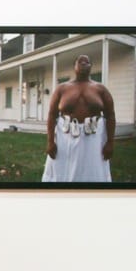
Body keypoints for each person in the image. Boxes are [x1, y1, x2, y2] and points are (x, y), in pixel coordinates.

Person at [43, 54, 115, 182]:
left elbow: (110, 115)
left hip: (94, 140)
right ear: (74, 66)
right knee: (61, 172)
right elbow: (52, 115)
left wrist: (110, 142)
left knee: (94, 173)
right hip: (65, 139)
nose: (83, 63)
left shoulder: (100, 89)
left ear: (91, 67)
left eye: (86, 62)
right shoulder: (62, 88)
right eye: (80, 61)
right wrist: (50, 142)